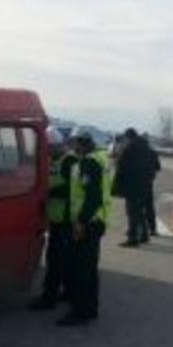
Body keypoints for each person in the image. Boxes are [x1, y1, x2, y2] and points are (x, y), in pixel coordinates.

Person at [59, 133, 111, 327]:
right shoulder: (99, 158)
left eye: (74, 144)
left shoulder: (89, 163)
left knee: (81, 269)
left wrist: (80, 222)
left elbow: (93, 197)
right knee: (88, 268)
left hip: (88, 223)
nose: (72, 148)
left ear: (81, 144)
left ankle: (80, 312)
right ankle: (89, 308)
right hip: (96, 221)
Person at [29, 127, 78, 310]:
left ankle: (48, 298)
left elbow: (72, 190)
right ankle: (67, 292)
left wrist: (47, 191)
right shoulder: (56, 160)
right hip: (56, 219)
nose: (47, 152)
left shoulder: (69, 161)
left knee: (56, 260)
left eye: (49, 148)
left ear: (57, 145)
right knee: (63, 260)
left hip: (65, 219)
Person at [114, 128, 154, 247]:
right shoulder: (146, 148)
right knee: (139, 211)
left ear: (128, 137)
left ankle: (132, 238)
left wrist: (118, 184)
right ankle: (144, 235)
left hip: (132, 185)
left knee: (132, 212)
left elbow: (121, 165)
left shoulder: (129, 148)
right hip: (145, 184)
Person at [143, 133, 161, 236]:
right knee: (149, 207)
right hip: (149, 182)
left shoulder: (136, 153)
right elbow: (158, 167)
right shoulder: (153, 153)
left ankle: (138, 230)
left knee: (137, 208)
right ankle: (153, 229)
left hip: (137, 183)